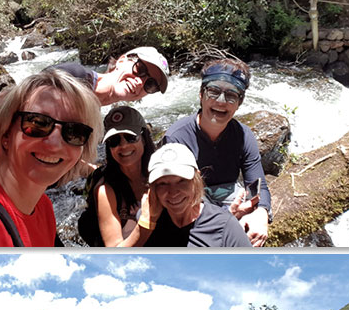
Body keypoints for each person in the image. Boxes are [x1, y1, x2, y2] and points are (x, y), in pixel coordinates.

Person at [0, 47, 170, 174]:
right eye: (140, 69)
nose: (140, 81)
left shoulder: (95, 110)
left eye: (150, 84)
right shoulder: (72, 77)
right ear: (122, 60)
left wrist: (96, 171)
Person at [0, 65, 101, 246]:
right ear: (6, 133)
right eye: (38, 123)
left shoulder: (44, 208)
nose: (55, 144)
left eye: (74, 131)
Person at [163, 58, 271, 248]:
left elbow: (257, 185)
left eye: (231, 95)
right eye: (213, 92)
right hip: (189, 199)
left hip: (228, 193)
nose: (221, 102)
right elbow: (174, 195)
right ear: (201, 95)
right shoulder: (176, 137)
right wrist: (228, 218)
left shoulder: (244, 136)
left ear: (240, 102)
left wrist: (261, 213)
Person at [121, 144, 253, 251]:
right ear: (152, 188)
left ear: (196, 179)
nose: (173, 192)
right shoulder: (148, 221)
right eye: (163, 183)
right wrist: (146, 222)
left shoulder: (225, 226)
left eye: (181, 181)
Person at [78, 106, 157, 246]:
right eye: (114, 141)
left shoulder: (161, 175)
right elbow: (114, 248)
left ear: (144, 138)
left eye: (130, 138)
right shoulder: (105, 191)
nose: (123, 146)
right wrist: (146, 220)